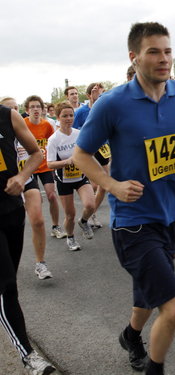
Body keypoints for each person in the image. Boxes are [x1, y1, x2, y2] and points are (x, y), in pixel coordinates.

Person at [73, 22, 175, 375]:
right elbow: (81, 155)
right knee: (173, 307)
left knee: (150, 290)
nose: (164, 59)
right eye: (154, 51)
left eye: (167, 51)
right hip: (132, 221)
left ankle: (131, 336)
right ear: (134, 58)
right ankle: (155, 368)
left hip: (170, 215)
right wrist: (113, 186)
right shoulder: (112, 104)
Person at [0, 103, 56, 374]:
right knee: (7, 284)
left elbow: (36, 153)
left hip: (11, 211)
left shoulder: (7, 115)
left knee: (8, 283)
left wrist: (22, 176)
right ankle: (29, 356)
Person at [24, 95, 65, 278]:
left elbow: (52, 142)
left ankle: (56, 226)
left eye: (38, 107)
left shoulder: (47, 125)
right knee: (37, 201)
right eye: (32, 107)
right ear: (27, 109)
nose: (35, 109)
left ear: (42, 109)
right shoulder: (23, 124)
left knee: (51, 195)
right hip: (29, 166)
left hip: (45, 166)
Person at [47, 102, 95, 251]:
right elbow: (50, 164)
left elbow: (87, 153)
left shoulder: (79, 134)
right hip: (64, 180)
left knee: (90, 205)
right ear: (58, 117)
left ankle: (85, 221)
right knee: (70, 215)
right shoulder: (54, 139)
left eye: (71, 115)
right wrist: (66, 162)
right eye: (65, 116)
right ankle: (71, 237)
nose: (69, 118)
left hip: (80, 177)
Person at [73, 82, 108, 229]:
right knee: (94, 184)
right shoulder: (81, 112)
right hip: (88, 151)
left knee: (104, 185)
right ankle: (88, 212)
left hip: (104, 148)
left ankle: (90, 213)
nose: (98, 94)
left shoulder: (107, 107)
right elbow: (73, 130)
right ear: (89, 95)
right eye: (95, 92)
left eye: (100, 92)